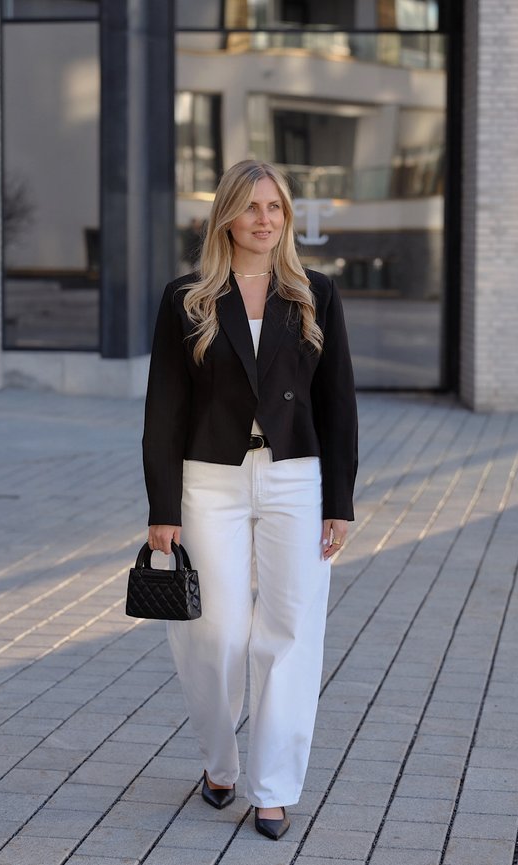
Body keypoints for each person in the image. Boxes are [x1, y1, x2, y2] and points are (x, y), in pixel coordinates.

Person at [142, 160, 358, 840]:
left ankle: (272, 788)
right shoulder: (189, 297)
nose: (266, 218)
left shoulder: (314, 293)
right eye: (252, 206)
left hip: (296, 476)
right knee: (216, 632)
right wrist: (162, 506)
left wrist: (340, 499)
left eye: (276, 206)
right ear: (228, 217)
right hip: (211, 479)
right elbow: (163, 411)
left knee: (291, 633)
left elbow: (339, 403)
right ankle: (220, 761)